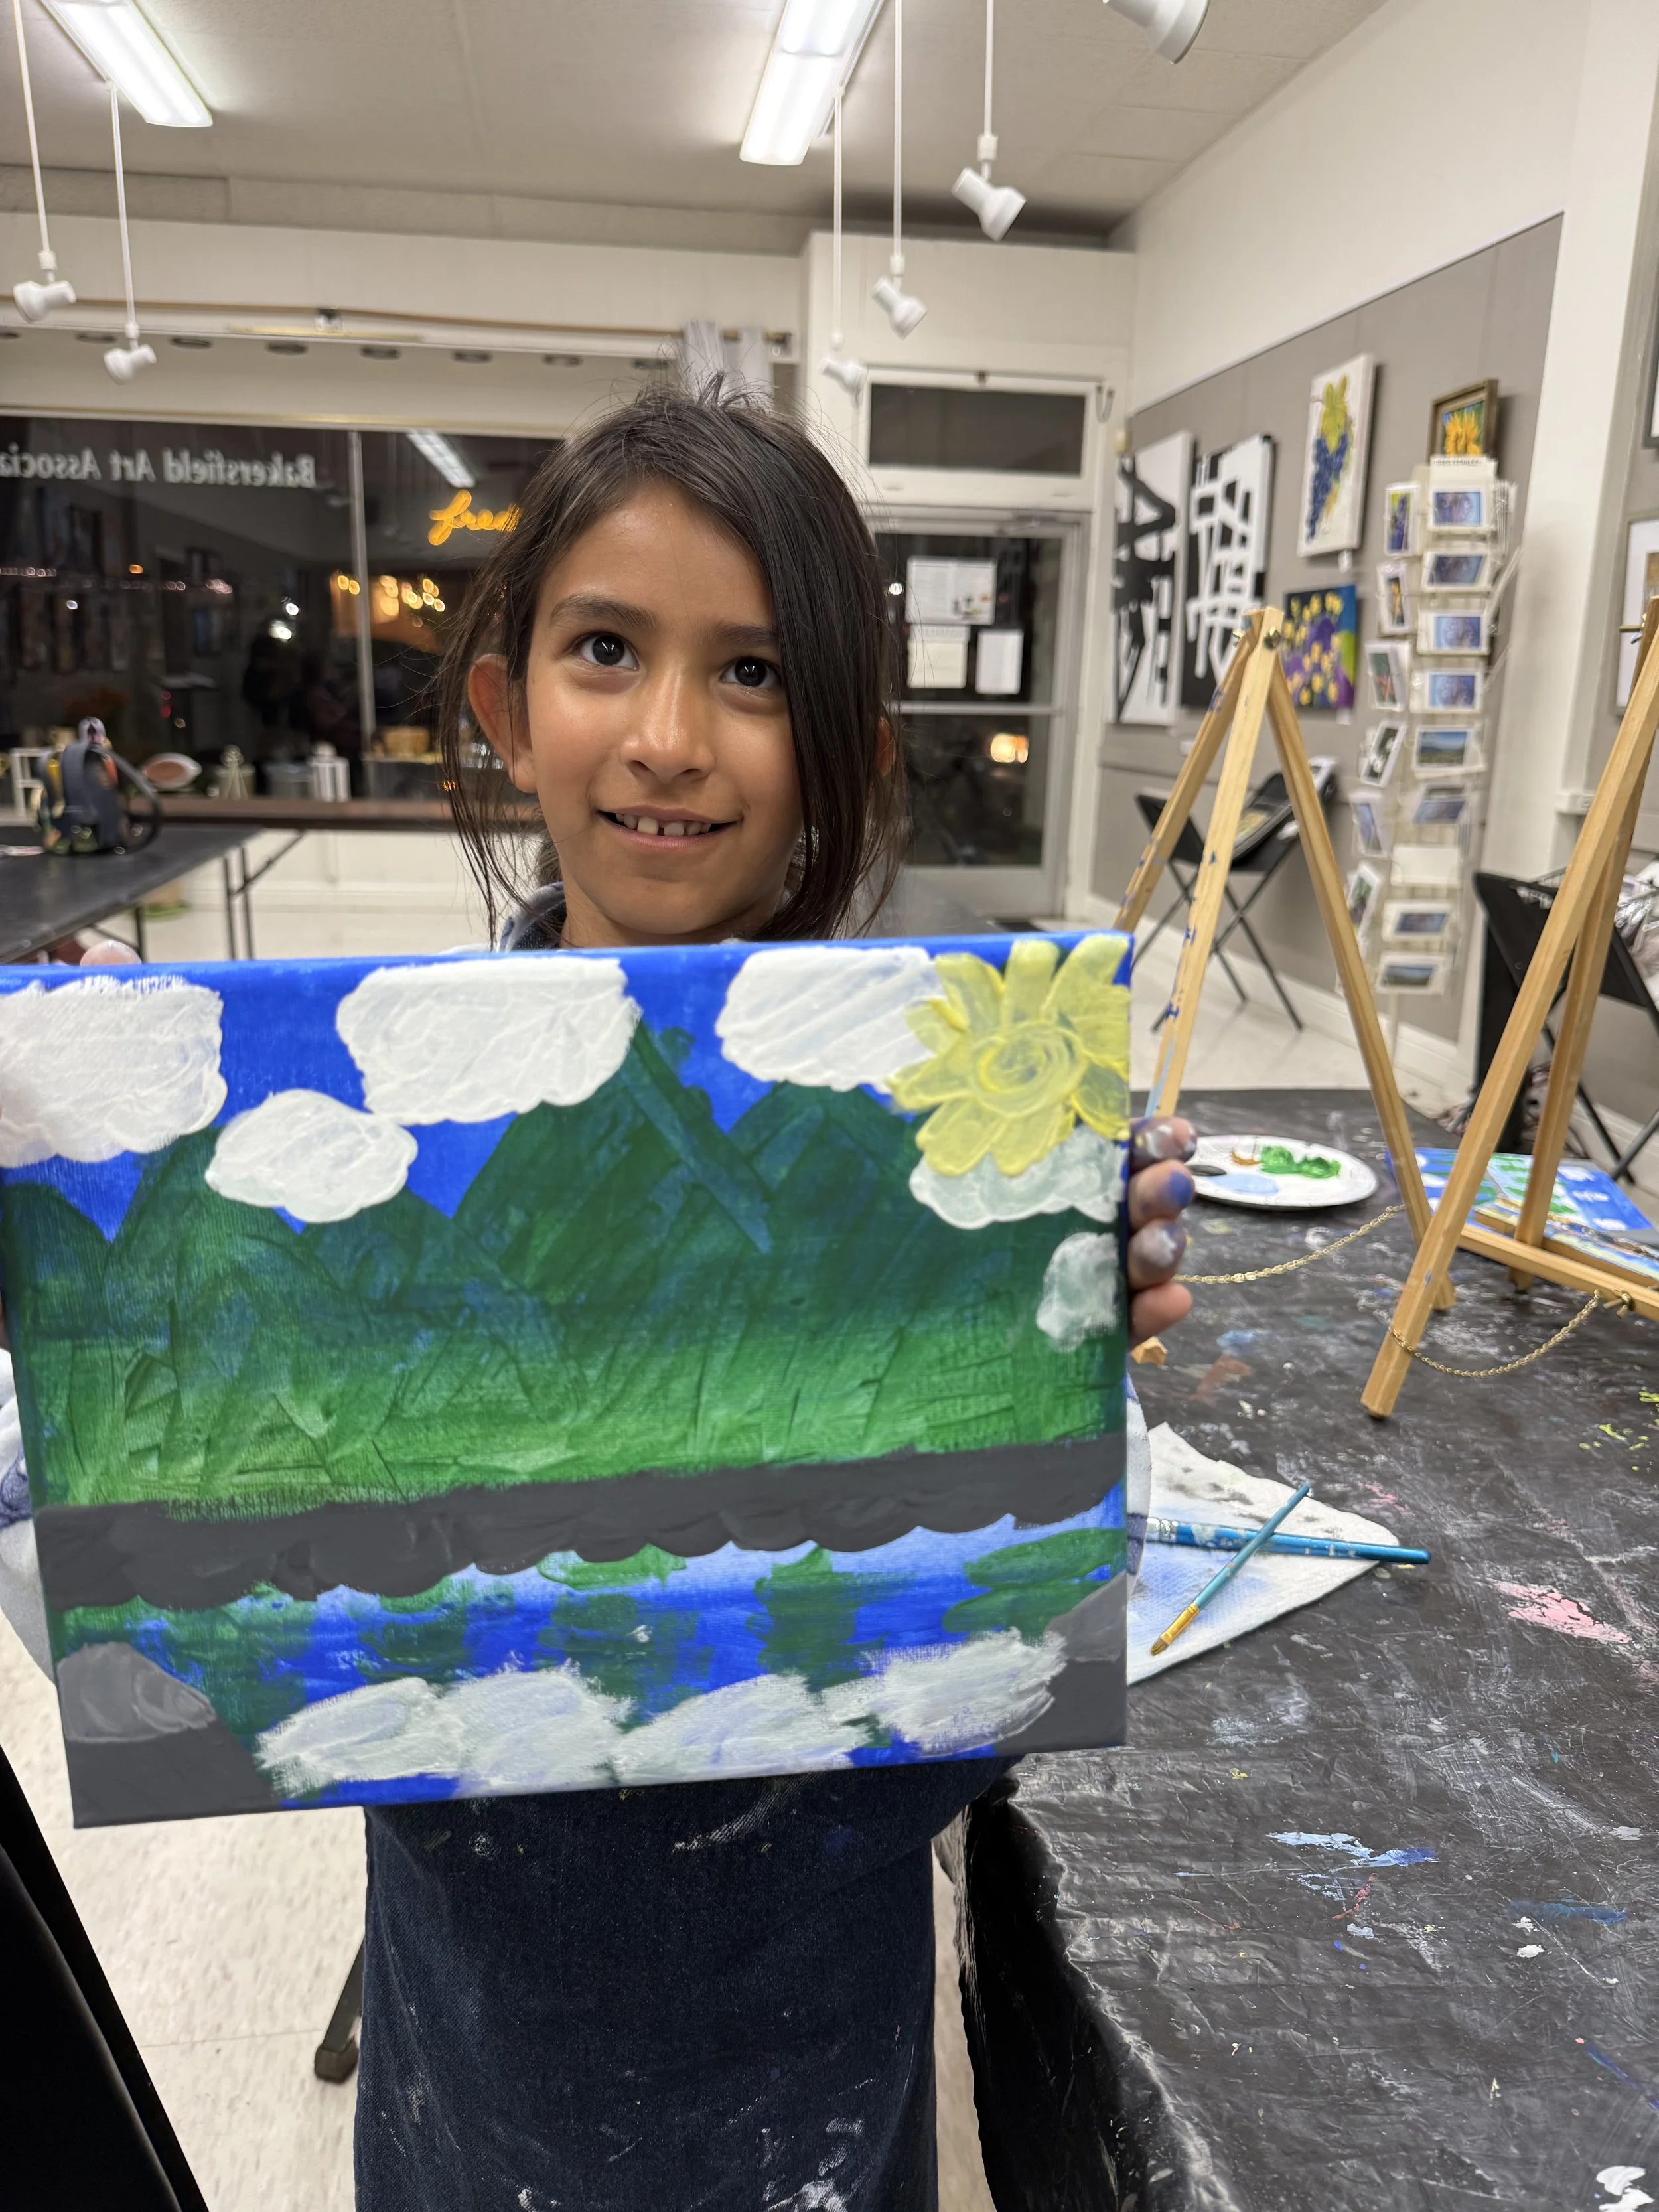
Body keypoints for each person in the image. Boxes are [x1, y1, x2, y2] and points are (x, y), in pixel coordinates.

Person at [348, 389, 1196, 2212]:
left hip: (806, 2001)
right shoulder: (365, 1127)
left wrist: (1053, 1359)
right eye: (602, 649)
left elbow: (977, 1670)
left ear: (839, 749)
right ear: (505, 703)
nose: (666, 738)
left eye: (748, 674)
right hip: (486, 2008)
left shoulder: (935, 1138)